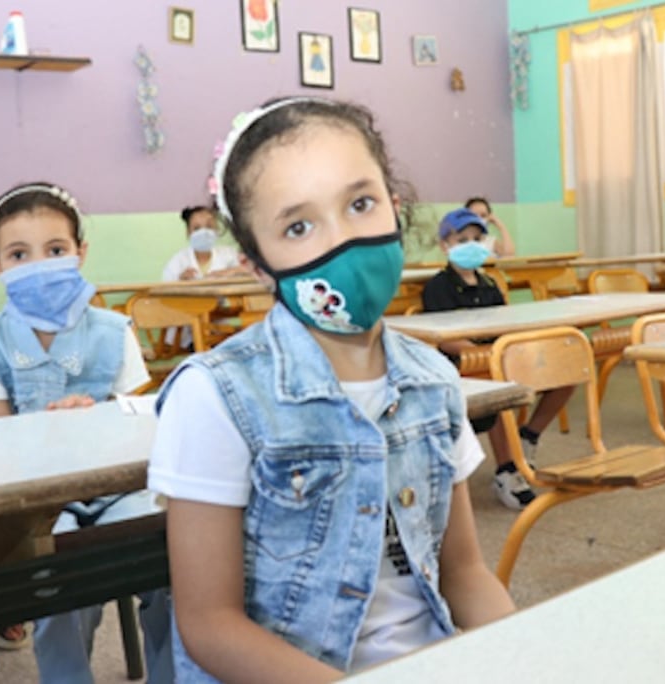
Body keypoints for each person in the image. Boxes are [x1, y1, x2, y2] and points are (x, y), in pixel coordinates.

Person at [148, 98, 515, 682]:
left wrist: (528, 656)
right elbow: (210, 624)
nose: (342, 241)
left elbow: (464, 573)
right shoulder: (215, 395)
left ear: (396, 210)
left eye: (360, 204)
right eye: (298, 226)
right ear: (259, 264)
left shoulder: (434, 380)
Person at [0, 182, 172, 679]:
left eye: (55, 250)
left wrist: (99, 418)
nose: (38, 264)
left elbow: (137, 425)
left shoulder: (113, 331)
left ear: (80, 253)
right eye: (19, 253)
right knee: (54, 587)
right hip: (38, 498)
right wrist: (41, 431)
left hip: (116, 487)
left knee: (170, 562)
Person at [421, 208, 575, 510]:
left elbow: (505, 324)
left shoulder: (490, 285)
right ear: (445, 245)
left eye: (477, 238)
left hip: (498, 357)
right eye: (462, 239)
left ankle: (528, 436)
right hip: (464, 365)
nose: (471, 244)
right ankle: (508, 470)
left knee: (566, 370)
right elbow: (443, 338)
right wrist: (486, 354)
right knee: (497, 386)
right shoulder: (438, 287)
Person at [161, 205, 248, 281]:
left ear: (217, 230)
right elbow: (166, 288)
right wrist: (180, 280)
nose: (204, 232)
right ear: (188, 233)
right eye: (197, 228)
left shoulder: (229, 255)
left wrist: (230, 272)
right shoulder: (178, 261)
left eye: (209, 226)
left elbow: (252, 270)